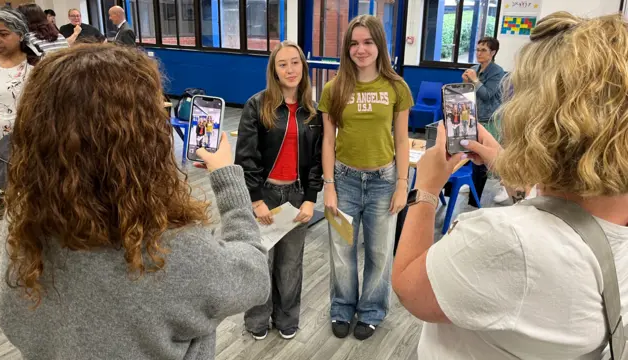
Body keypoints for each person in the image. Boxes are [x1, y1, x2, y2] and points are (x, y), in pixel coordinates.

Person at [0, 44, 270, 359]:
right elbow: (253, 275)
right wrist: (227, 178)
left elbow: (13, 322)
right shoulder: (172, 252)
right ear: (142, 139)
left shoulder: (26, 233)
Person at [393, 12, 628, 359]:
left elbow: (408, 288)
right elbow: (567, 212)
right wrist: (504, 164)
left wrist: (425, 189)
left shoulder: (507, 242)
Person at [319, 14, 413, 341]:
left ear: (379, 46)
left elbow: (401, 140)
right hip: (343, 181)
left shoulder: (396, 87)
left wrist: (402, 184)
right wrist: (328, 186)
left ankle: (372, 310)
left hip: (383, 182)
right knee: (342, 250)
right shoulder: (334, 88)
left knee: (379, 253)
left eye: (368, 42)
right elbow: (328, 141)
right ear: (346, 49)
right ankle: (342, 307)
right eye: (354, 43)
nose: (361, 49)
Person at [235, 41, 323, 341]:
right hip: (266, 196)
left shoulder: (313, 111)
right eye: (283, 64)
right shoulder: (256, 105)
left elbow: (317, 162)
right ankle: (258, 318)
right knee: (262, 262)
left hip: (297, 197)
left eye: (295, 62)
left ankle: (287, 317)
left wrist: (311, 199)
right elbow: (246, 159)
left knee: (290, 264)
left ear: (303, 66)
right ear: (274, 70)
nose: (290, 69)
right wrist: (256, 200)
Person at [0, 7, 41, 220]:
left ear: (20, 35)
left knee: (36, 201)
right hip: (0, 146)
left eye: (3, 33)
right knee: (9, 205)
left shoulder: (38, 64)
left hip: (35, 143)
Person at [462, 37, 506, 206]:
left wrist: (474, 80)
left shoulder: (497, 71)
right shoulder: (474, 69)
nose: (479, 53)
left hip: (489, 118)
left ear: (493, 53)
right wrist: (466, 82)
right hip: (474, 116)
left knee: (492, 155)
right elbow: (466, 93)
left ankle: (504, 185)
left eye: (483, 50)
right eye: (477, 49)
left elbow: (487, 95)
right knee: (474, 156)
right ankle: (472, 184)